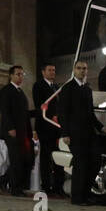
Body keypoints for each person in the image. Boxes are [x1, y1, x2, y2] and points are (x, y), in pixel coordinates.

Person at [58, 59, 106, 205]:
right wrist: (65, 133)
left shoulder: (87, 89)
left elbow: (91, 114)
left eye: (84, 68)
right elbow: (63, 112)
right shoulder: (67, 88)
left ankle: (86, 194)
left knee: (95, 162)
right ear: (74, 70)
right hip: (74, 134)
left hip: (89, 133)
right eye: (79, 68)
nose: (82, 71)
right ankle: (77, 198)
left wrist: (101, 127)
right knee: (80, 165)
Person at [0, 65, 33, 196]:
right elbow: (5, 111)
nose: (20, 77)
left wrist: (39, 111)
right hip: (11, 131)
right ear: (11, 76)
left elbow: (24, 114)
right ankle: (15, 188)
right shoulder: (6, 90)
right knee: (16, 159)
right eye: (18, 74)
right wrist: (10, 128)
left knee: (22, 159)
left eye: (22, 74)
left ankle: (3, 181)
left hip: (22, 131)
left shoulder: (21, 92)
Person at [33, 63, 65, 197]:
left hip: (58, 128)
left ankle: (59, 186)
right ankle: (46, 186)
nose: (53, 72)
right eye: (50, 70)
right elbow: (40, 104)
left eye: (54, 70)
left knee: (59, 158)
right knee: (46, 158)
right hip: (46, 126)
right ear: (43, 72)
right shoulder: (38, 86)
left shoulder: (57, 87)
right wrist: (52, 115)